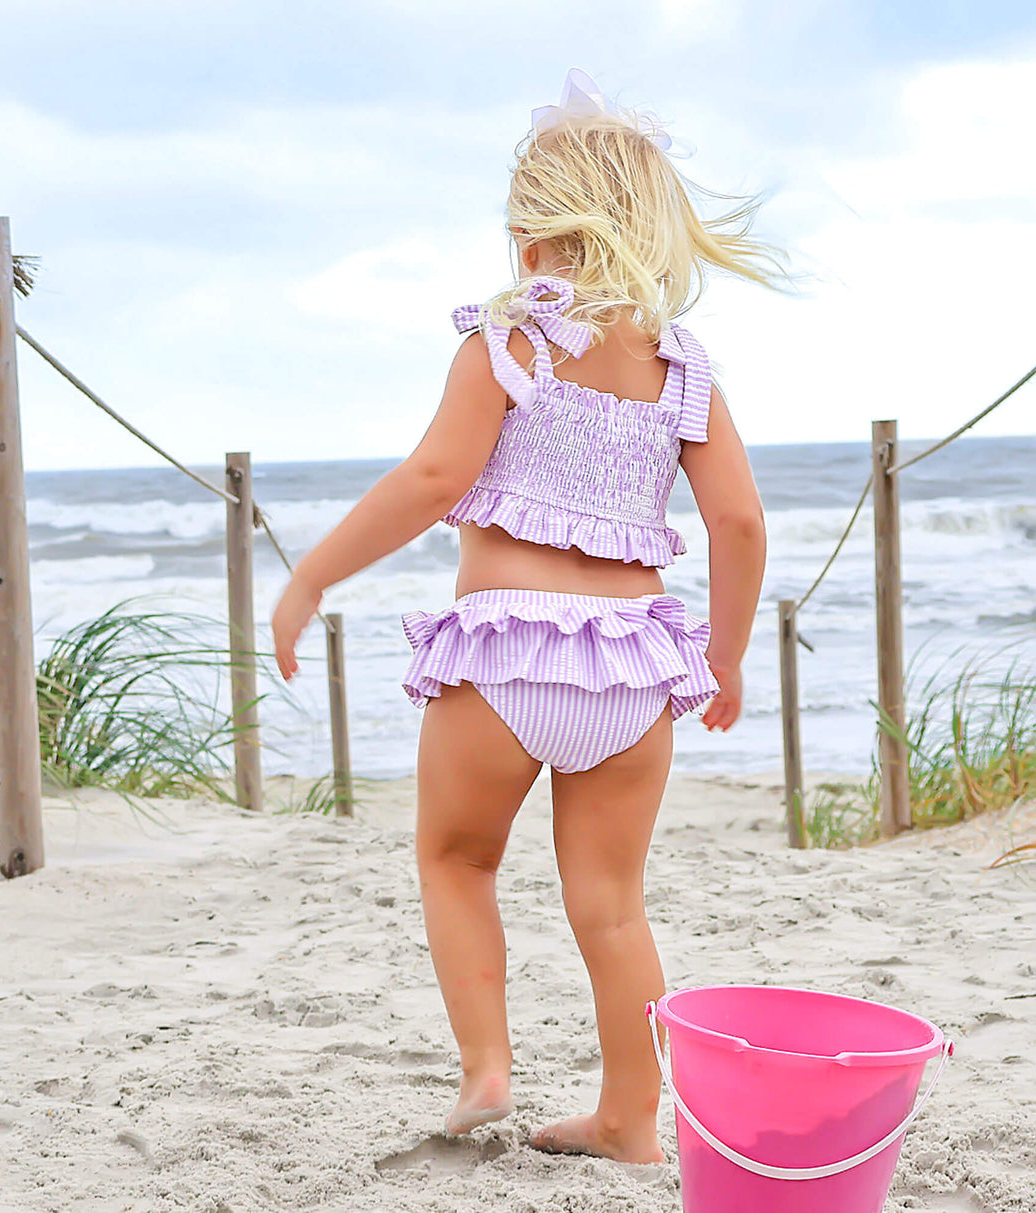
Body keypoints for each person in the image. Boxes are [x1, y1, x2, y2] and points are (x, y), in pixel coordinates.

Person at [270, 68, 784, 1164]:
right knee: (610, 907)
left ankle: (486, 1066)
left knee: (456, 861)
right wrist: (725, 658)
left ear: (533, 236)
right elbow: (738, 524)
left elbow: (430, 477)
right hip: (633, 669)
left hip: (502, 650)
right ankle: (628, 1121)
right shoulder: (681, 371)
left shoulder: (504, 341)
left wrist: (312, 577)